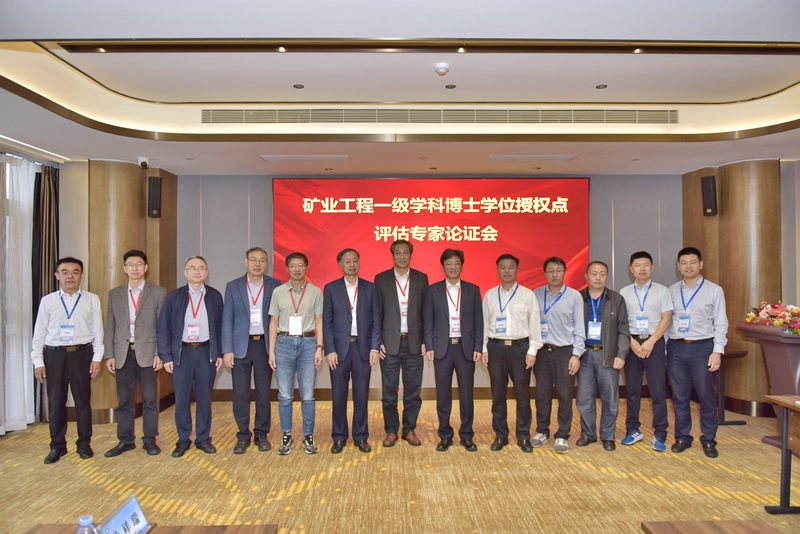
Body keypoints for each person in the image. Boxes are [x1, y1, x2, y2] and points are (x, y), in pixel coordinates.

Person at [31, 257, 104, 464]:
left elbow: (98, 331)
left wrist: (97, 358)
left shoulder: (92, 299)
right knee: (56, 403)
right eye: (65, 272)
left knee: (83, 401)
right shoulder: (48, 301)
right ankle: (57, 446)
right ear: (57, 275)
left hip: (82, 354)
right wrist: (38, 361)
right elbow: (39, 333)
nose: (70, 276)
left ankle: (84, 444)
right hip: (55, 356)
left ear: (82, 275)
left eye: (75, 272)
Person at [157, 256, 224, 458]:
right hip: (182, 353)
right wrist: (166, 357)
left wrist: (219, 352)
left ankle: (203, 439)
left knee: (204, 398)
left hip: (205, 352)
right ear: (185, 272)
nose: (197, 271)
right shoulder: (174, 297)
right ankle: (183, 439)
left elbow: (220, 327)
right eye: (192, 268)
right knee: (182, 398)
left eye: (201, 268)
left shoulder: (214, 296)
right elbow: (163, 329)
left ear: (206, 272)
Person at [104, 250, 167, 457]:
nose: (135, 268)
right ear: (124, 268)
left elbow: (162, 326)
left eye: (139, 264)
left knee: (150, 400)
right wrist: (110, 354)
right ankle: (125, 440)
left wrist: (159, 353)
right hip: (123, 354)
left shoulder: (158, 292)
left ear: (146, 267)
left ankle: (150, 439)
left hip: (149, 354)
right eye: (130, 264)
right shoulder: (115, 294)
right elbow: (110, 326)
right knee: (124, 400)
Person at [667, 247, 728, 458]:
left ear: (700, 264)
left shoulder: (714, 290)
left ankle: (709, 439)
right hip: (676, 347)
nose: (688, 266)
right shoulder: (672, 290)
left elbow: (721, 322)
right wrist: (665, 348)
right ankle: (683, 437)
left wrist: (717, 351)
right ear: (678, 266)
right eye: (684, 263)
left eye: (693, 262)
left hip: (703, 348)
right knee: (679, 396)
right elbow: (666, 322)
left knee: (706, 396)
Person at [221, 247, 281, 454]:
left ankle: (261, 434)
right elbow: (227, 319)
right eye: (253, 260)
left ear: (267, 263)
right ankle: (243, 435)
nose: (257, 264)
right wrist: (227, 350)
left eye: (262, 260)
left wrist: (276, 349)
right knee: (240, 393)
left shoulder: (275, 285)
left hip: (265, 346)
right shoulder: (233, 286)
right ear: (246, 262)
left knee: (264, 392)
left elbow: (278, 318)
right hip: (240, 347)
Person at [481, 254, 543, 453]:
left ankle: (523, 435)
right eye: (502, 267)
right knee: (498, 394)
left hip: (520, 348)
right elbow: (484, 323)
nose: (506, 271)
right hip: (496, 348)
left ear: (517, 269)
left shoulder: (527, 295)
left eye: (510, 267)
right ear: (497, 270)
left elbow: (535, 323)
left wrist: (533, 350)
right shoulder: (490, 295)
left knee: (522, 394)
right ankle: (501, 435)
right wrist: (484, 348)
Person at [424, 249, 483, 452]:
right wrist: (429, 345)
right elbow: (428, 320)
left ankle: (467, 435)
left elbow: (478, 320)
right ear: (443, 266)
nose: (452, 267)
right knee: (443, 395)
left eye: (456, 263)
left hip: (466, 348)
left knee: (467, 394)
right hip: (442, 348)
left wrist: (478, 346)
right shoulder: (432, 290)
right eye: (448, 263)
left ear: (461, 266)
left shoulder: (472, 290)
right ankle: (445, 435)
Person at [323, 249, 382, 453]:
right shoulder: (331, 288)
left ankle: (360, 436)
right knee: (339, 396)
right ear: (340, 264)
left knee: (361, 396)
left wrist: (374, 347)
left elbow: (376, 320)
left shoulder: (370, 288)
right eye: (347, 261)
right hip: (339, 351)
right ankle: (339, 437)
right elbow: (327, 322)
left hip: (362, 349)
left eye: (355, 260)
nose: (352, 264)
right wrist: (330, 350)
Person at [374, 239, 428, 447]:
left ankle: (409, 429)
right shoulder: (381, 279)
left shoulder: (421, 278)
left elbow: (426, 313)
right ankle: (391, 430)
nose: (402, 256)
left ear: (410, 255)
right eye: (398, 253)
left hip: (414, 343)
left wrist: (425, 341)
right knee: (389, 391)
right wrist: (378, 341)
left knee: (413, 391)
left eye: (406, 252)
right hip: (389, 345)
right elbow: (376, 314)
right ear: (393, 255)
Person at [268, 252, 323, 455]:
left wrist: (319, 347)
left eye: (300, 265)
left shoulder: (316, 291)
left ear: (306, 267)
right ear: (287, 268)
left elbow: (319, 321)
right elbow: (273, 322)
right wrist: (271, 351)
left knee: (308, 395)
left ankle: (308, 435)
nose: (297, 269)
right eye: (293, 266)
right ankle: (287, 435)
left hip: (308, 343)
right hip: (283, 344)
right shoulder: (278, 292)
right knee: (284, 395)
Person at [618, 251, 673, 452]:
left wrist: (651, 341)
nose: (642, 269)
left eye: (646, 265)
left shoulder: (662, 291)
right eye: (637, 265)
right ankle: (633, 429)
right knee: (632, 390)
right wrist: (631, 341)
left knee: (658, 390)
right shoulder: (624, 292)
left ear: (652, 267)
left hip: (654, 343)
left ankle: (660, 432)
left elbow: (666, 319)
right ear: (631, 269)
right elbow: (621, 322)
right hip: (631, 344)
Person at [532, 257, 585, 454]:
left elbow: (579, 327)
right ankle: (542, 431)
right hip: (541, 351)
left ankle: (563, 434)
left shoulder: (574, 296)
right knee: (542, 394)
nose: (555, 274)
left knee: (564, 394)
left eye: (558, 270)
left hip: (565, 351)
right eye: (551, 271)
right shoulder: (536, 294)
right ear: (545, 273)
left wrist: (576, 354)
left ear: (564, 272)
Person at [575, 261, 630, 451]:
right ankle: (588, 434)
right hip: (584, 355)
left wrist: (621, 354)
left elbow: (624, 330)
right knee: (584, 398)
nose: (598, 277)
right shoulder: (577, 298)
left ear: (607, 276)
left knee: (610, 399)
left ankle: (608, 436)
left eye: (602, 274)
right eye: (594, 273)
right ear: (586, 276)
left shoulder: (616, 299)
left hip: (608, 355)